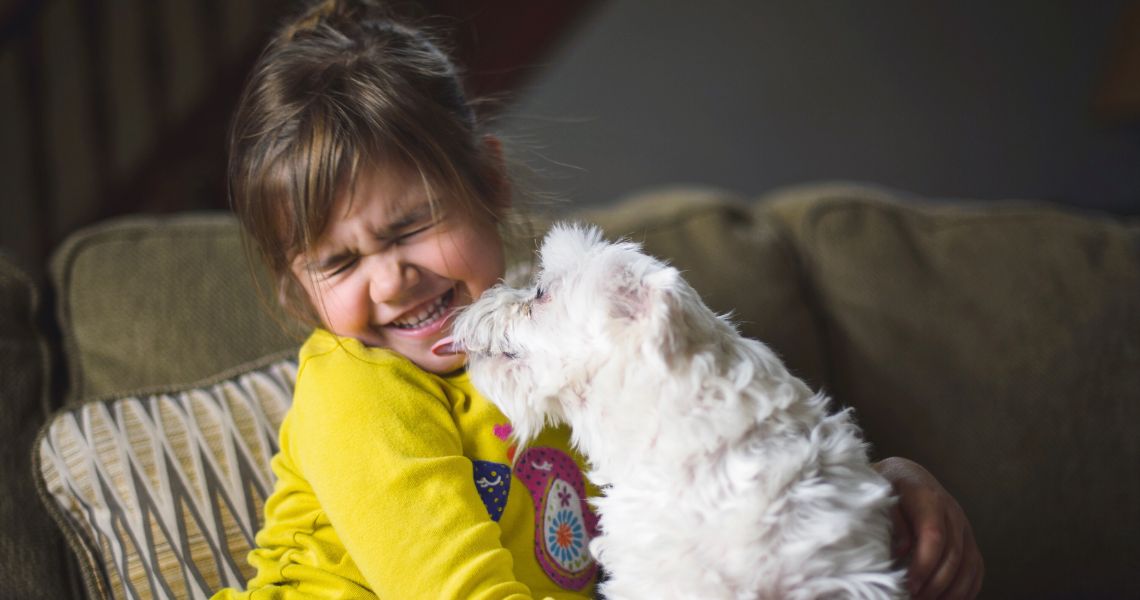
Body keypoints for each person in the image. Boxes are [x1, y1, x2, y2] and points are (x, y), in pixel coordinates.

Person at [214, 1, 983, 598]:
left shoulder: (576, 344)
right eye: (340, 263)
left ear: (490, 181)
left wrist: (877, 495)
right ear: (297, 286)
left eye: (412, 227)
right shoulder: (355, 393)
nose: (391, 281)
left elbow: (718, 469)